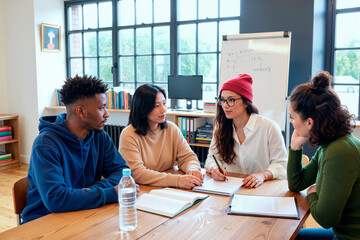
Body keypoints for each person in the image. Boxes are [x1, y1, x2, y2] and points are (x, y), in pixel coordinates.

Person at [22, 75, 133, 224]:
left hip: (83, 212)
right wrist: (109, 193)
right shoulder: (45, 144)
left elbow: (122, 172)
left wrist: (91, 190)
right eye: (101, 108)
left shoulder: (100, 136)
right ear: (80, 111)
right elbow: (56, 199)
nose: (107, 114)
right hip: (44, 221)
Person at [288, 71, 360, 240]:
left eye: (292, 117)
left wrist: (312, 192)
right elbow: (297, 183)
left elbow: (326, 219)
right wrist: (295, 147)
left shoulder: (339, 152)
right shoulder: (331, 144)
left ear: (309, 122)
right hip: (342, 232)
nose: (292, 122)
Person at [204, 74, 287, 188]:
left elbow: (281, 165)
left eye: (231, 100)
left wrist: (262, 175)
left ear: (245, 102)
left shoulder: (269, 127)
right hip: (230, 188)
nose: (225, 105)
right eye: (222, 100)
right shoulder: (221, 127)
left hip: (262, 188)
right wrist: (214, 168)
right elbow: (212, 158)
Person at [119, 84, 204, 189]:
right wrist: (176, 180)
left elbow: (188, 157)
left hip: (165, 188)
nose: (163, 110)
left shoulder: (171, 128)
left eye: (164, 103)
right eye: (157, 106)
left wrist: (193, 169)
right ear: (142, 108)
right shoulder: (129, 134)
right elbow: (137, 173)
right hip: (142, 190)